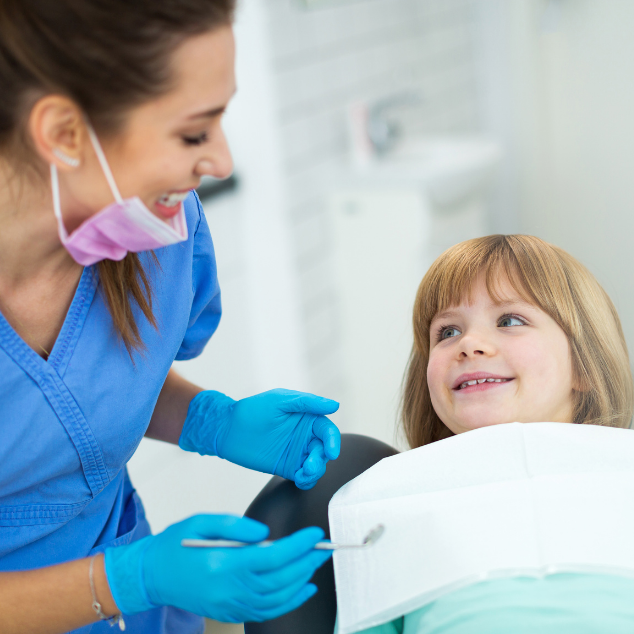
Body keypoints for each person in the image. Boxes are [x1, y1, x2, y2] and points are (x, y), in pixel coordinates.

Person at [0, 1, 341, 632]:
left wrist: (213, 421)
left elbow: (80, 399)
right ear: (64, 134)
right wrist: (124, 579)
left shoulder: (158, 232)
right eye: (193, 132)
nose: (221, 161)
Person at [350, 234, 634, 633]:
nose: (470, 345)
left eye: (510, 321)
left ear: (584, 366)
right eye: (447, 332)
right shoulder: (395, 503)